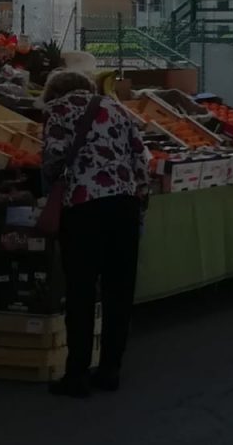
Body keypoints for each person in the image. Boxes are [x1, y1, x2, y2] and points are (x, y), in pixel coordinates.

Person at [41, 69, 151, 397]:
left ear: (54, 92)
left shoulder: (58, 110)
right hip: (124, 207)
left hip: (83, 207)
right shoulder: (116, 108)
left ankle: (76, 374)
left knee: (81, 291)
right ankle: (110, 370)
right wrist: (138, 195)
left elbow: (53, 157)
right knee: (119, 290)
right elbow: (140, 156)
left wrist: (51, 185)